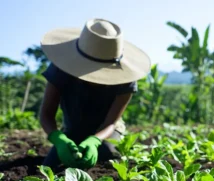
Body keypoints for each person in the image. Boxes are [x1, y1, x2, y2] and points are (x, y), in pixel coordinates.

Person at [39, 18, 151, 169]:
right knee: (51, 164)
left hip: (106, 130)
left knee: (107, 153)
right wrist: (59, 139)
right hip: (72, 128)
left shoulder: (126, 79)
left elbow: (111, 123)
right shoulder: (61, 69)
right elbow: (46, 114)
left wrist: (95, 140)